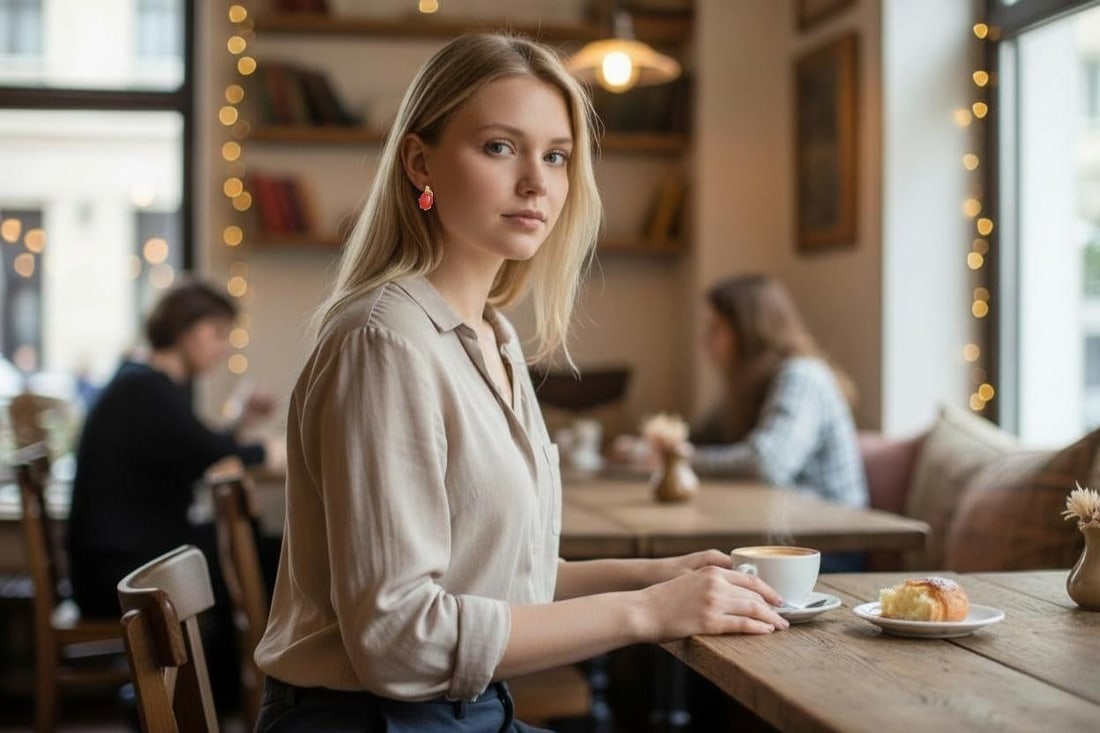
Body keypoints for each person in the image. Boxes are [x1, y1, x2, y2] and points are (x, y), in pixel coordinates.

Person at [253, 32, 788, 733]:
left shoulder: (494, 337)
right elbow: (399, 638)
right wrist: (646, 612)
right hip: (369, 720)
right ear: (421, 161)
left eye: (557, 156)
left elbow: (510, 577)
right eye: (501, 147)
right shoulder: (385, 342)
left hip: (462, 712)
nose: (538, 182)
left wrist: (661, 573)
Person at [64, 278, 282, 714]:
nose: (223, 348)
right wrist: (275, 449)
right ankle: (225, 702)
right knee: (264, 554)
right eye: (220, 334)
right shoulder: (145, 388)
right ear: (193, 330)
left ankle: (221, 699)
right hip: (118, 571)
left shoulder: (144, 381)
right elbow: (212, 453)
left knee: (251, 550)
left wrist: (240, 424)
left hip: (121, 556)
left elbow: (197, 447)